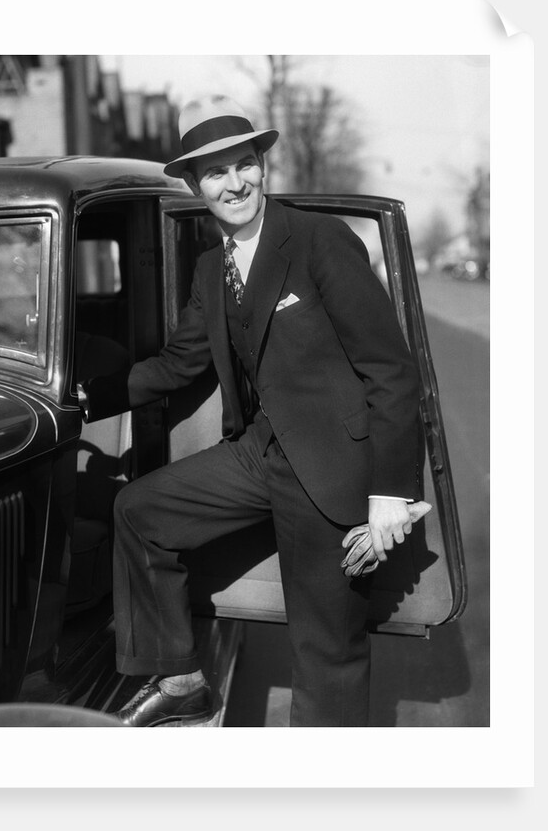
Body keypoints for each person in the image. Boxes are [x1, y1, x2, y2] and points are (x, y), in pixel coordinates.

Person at [84, 94, 423, 727]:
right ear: (193, 184)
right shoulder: (211, 269)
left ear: (263, 168)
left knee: (325, 651)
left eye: (244, 165)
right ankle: (181, 677)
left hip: (332, 465)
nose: (234, 183)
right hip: (259, 452)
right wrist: (84, 396)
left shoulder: (320, 241)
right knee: (140, 511)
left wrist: (389, 494)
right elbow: (179, 365)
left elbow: (391, 371)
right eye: (215, 172)